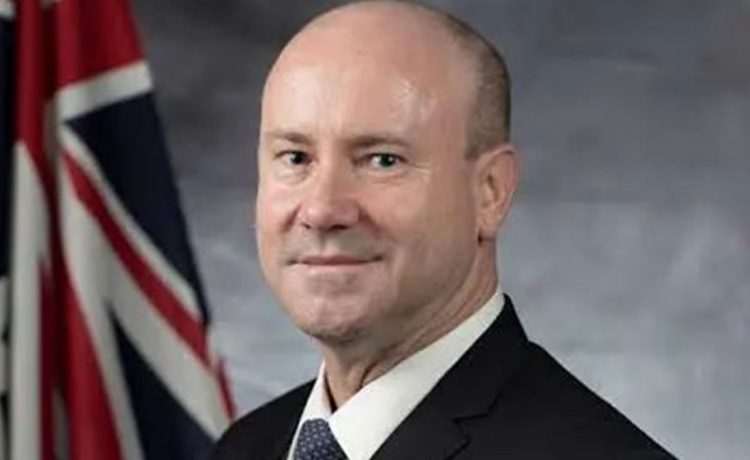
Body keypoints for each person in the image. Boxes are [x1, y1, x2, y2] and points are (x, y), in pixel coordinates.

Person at [212, 1, 676, 459]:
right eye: (295, 158)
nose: (322, 209)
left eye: (383, 160)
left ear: (490, 192)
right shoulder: (245, 447)